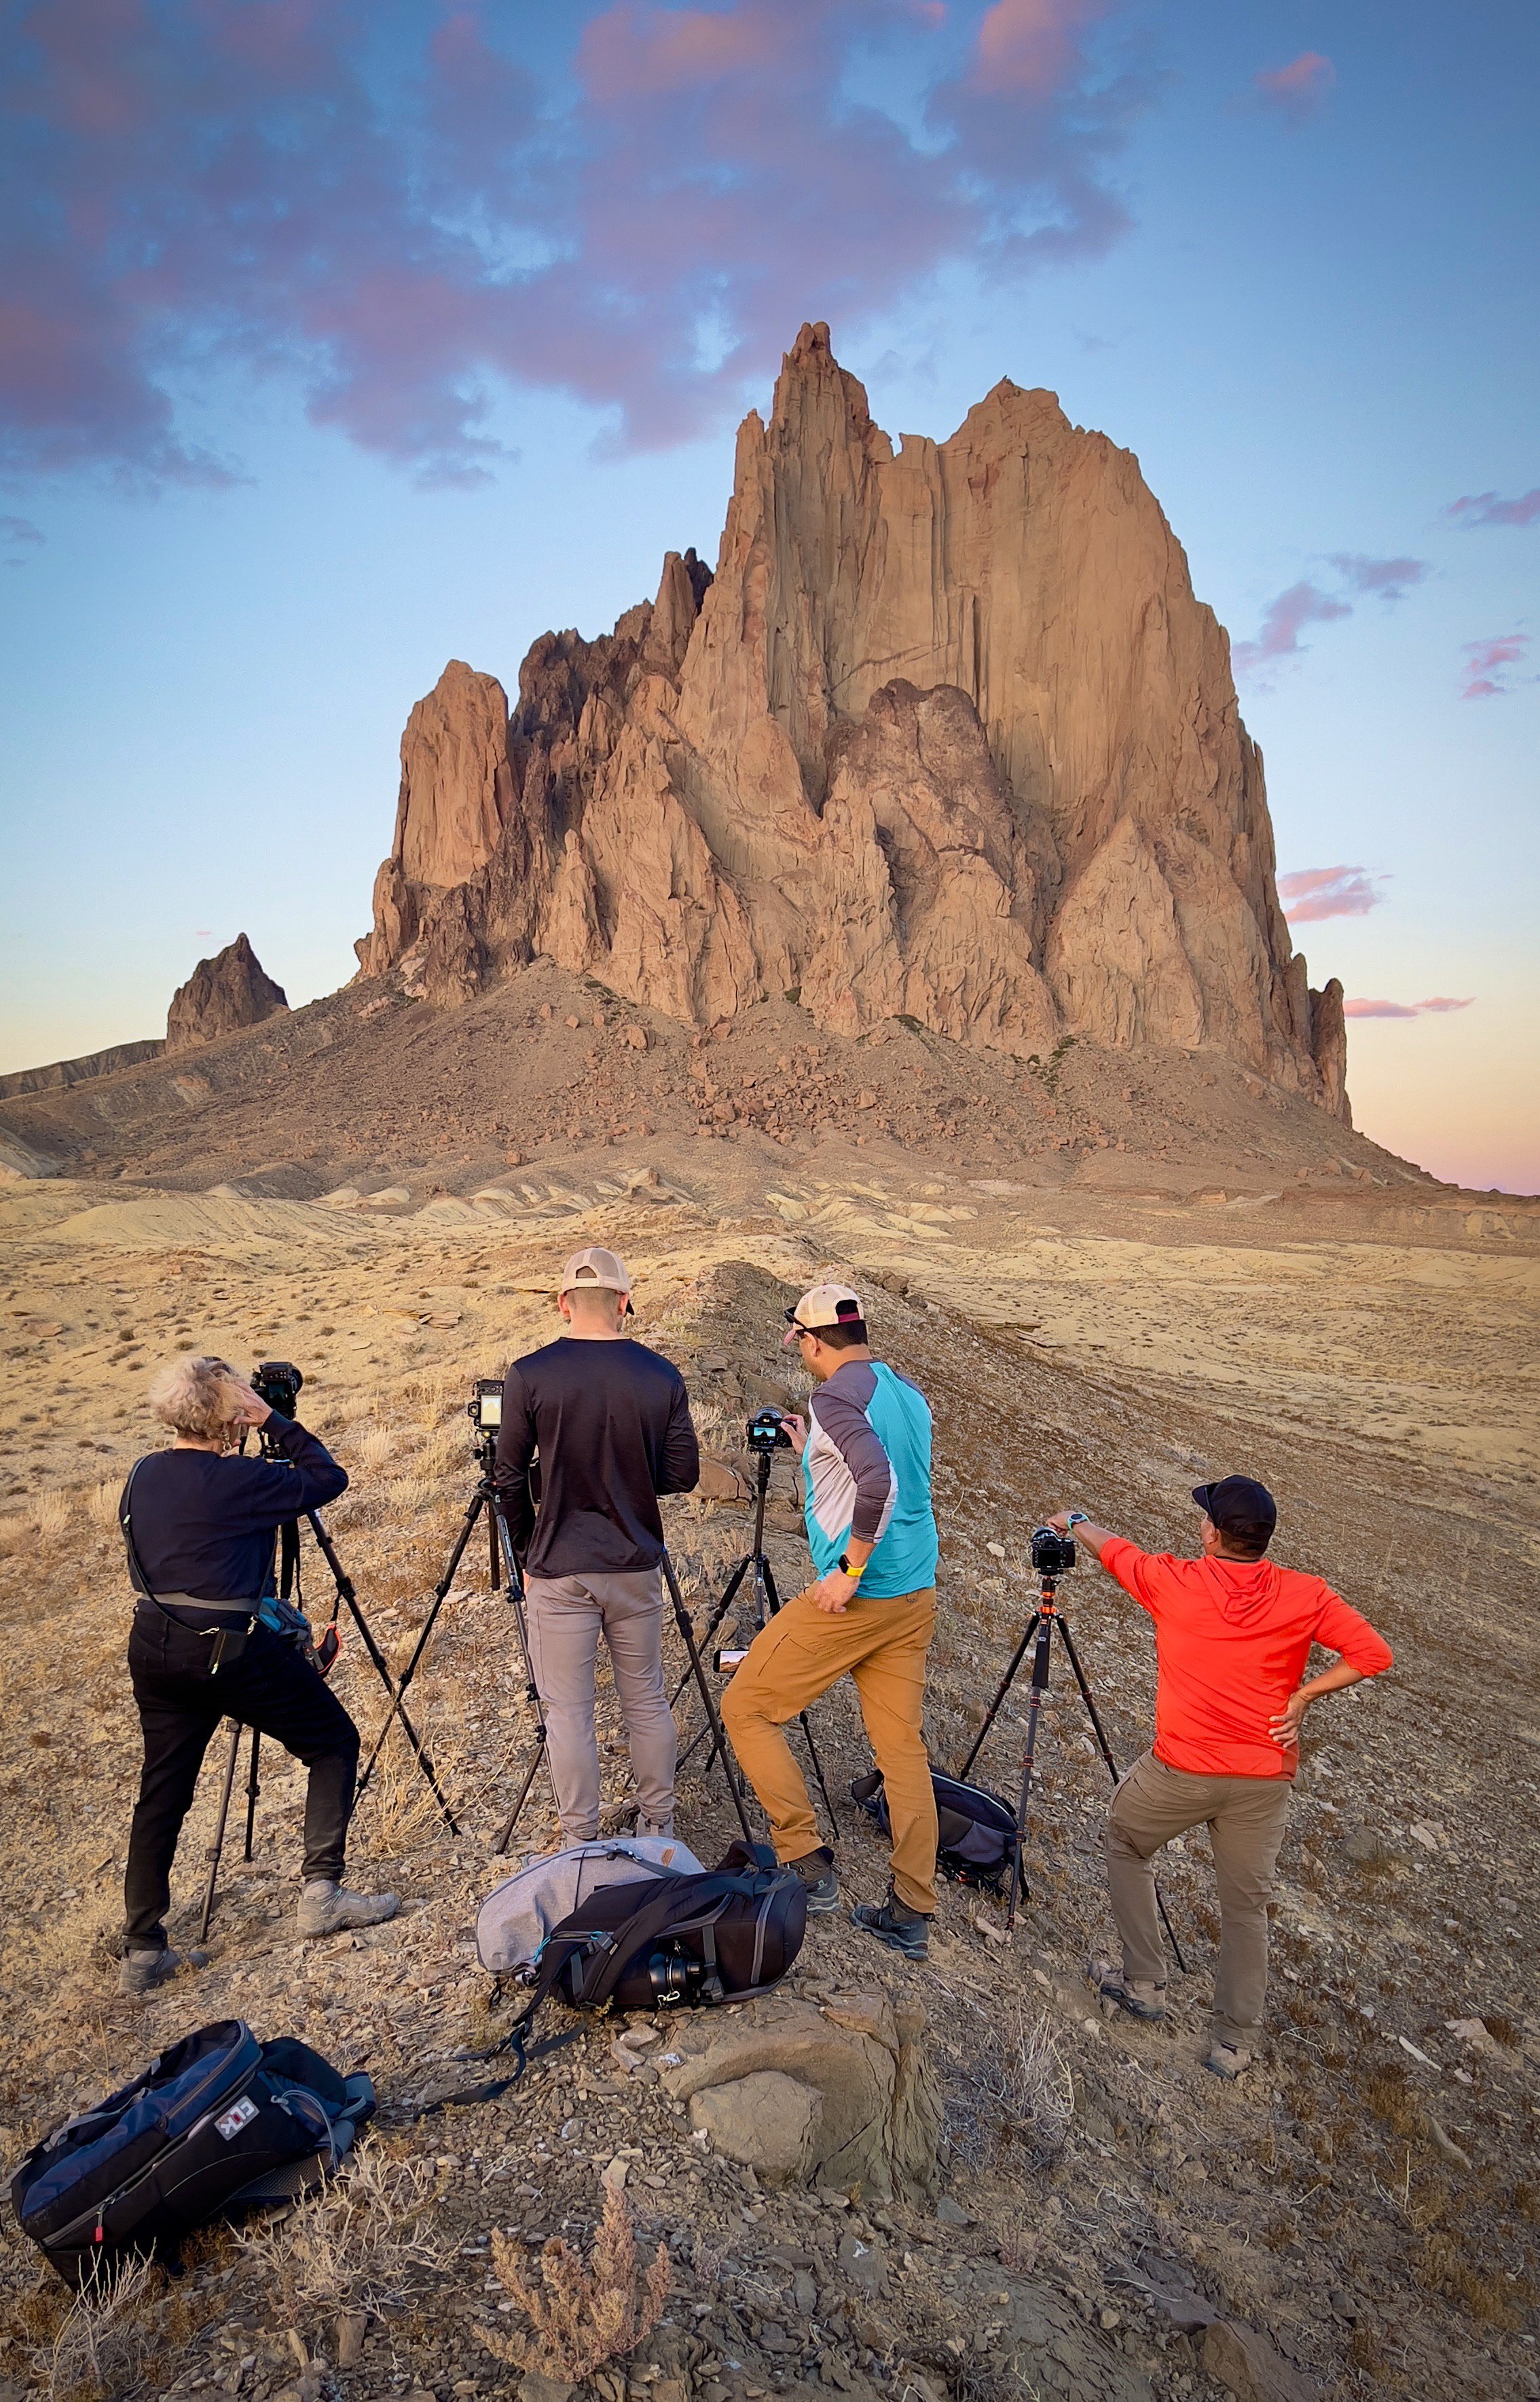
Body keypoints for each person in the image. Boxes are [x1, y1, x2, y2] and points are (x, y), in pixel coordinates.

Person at [1044, 1478, 1393, 2077]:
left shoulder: (1174, 1580)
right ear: (1261, 1538)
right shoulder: (1306, 1593)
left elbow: (1112, 1548)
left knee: (1126, 1841)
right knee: (1245, 1907)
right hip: (1263, 1780)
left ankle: (1146, 1983)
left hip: (1182, 1768)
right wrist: (1305, 1694)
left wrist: (1073, 1518)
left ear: (1212, 1532)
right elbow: (1374, 1654)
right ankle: (1233, 2043)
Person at [117, 1356, 398, 1999]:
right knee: (332, 1742)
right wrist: (275, 1418)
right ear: (230, 1416)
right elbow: (329, 1477)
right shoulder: (240, 1480)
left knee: (161, 1792)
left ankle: (142, 1949)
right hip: (227, 1651)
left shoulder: (141, 1474)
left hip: (154, 1645)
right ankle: (321, 1891)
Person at [720, 1282, 940, 1959]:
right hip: (914, 1593)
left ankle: (807, 1864)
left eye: (803, 1347)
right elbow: (885, 1465)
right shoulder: (903, 1390)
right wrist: (811, 1450)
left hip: (862, 1597)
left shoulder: (834, 1396)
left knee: (747, 1707)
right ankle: (910, 1910)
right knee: (902, 1752)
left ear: (813, 1342)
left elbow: (875, 1480)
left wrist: (846, 1572)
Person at [494, 1246, 699, 1846]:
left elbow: (507, 1478)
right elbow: (682, 1473)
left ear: (563, 1304)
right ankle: (658, 1820)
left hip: (559, 1566)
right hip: (635, 1563)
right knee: (646, 1698)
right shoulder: (661, 1375)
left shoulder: (529, 1374)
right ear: (625, 1302)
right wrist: (631, 1471)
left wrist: (529, 1552)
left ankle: (580, 1838)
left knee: (568, 1712)